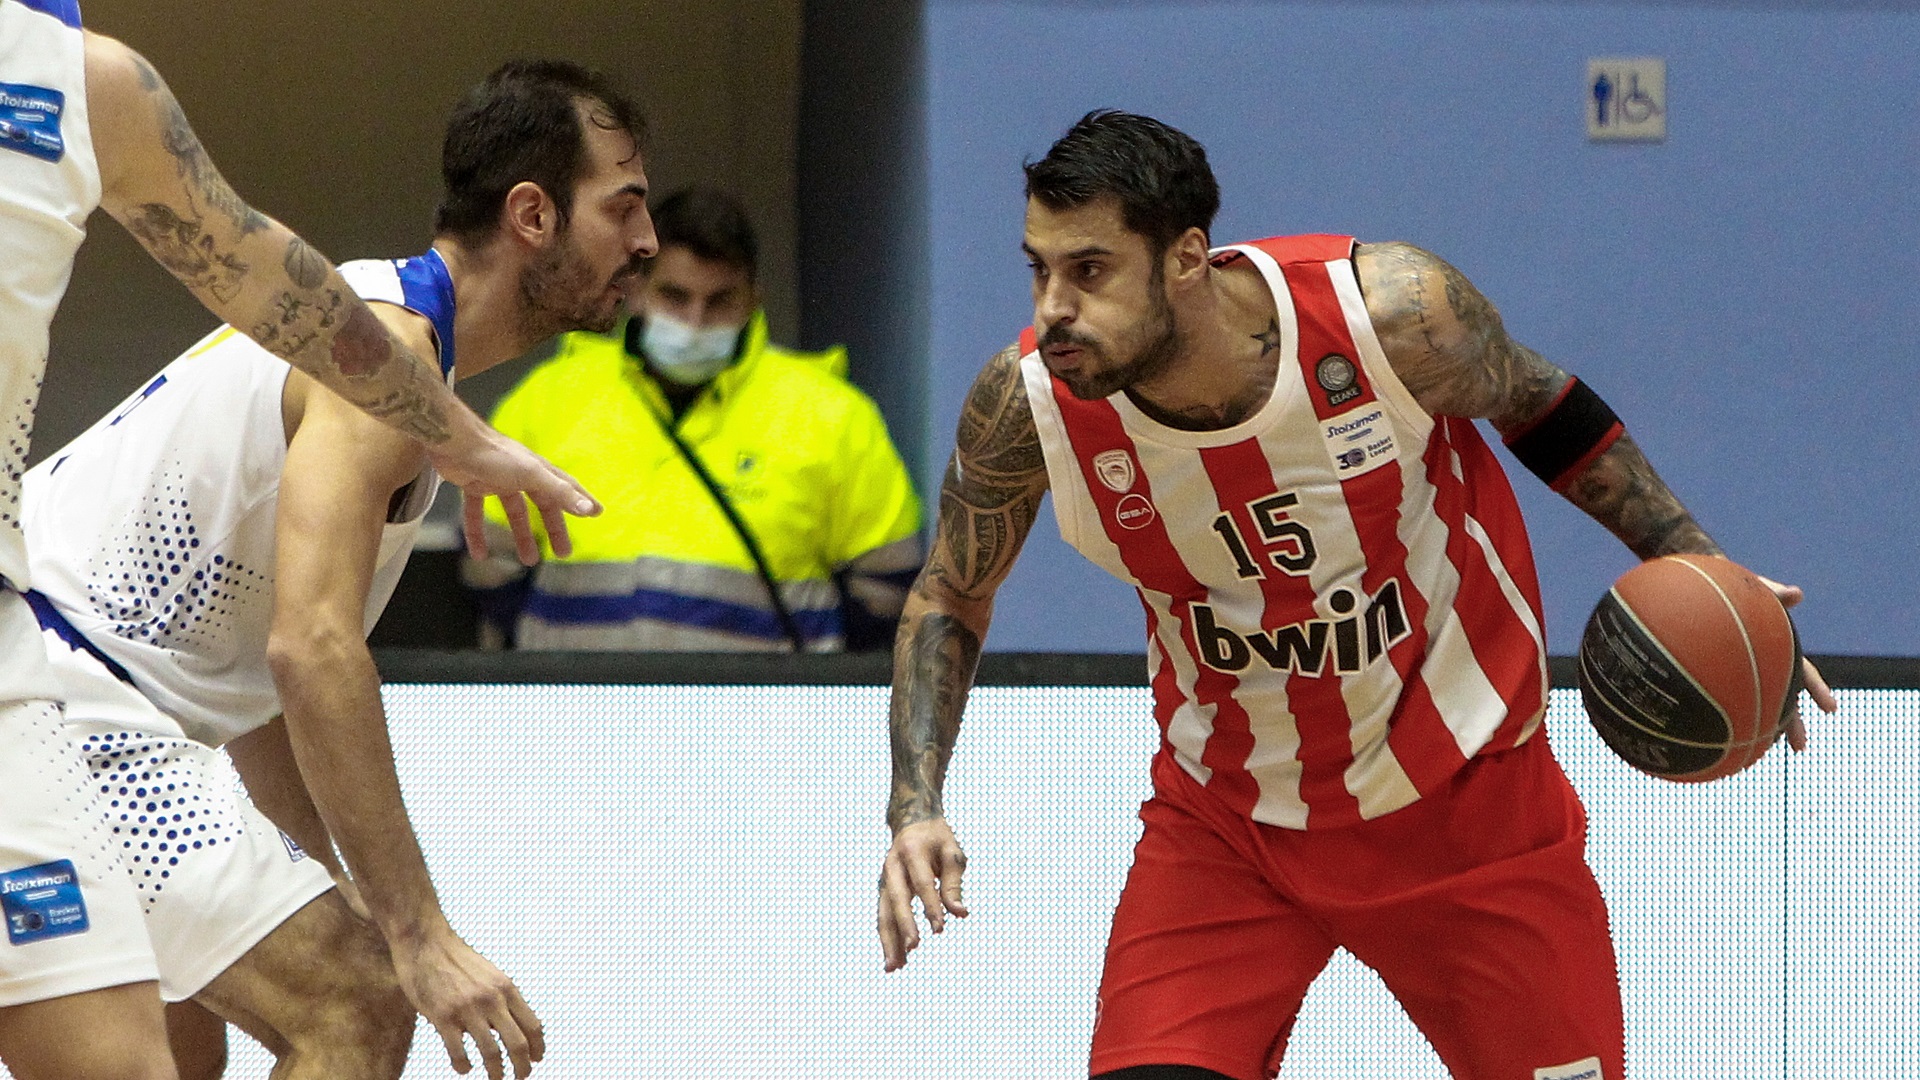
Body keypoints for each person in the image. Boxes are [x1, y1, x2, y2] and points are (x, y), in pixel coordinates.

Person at [874, 110, 1838, 1080]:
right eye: (1039, 270)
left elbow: (1537, 400)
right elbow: (950, 595)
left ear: (1187, 259)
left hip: (1470, 809)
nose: (1053, 307)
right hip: (1229, 827)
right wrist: (916, 806)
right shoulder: (1029, 408)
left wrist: (1703, 568)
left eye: (1089, 271)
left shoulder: (1393, 319)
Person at [21, 58, 657, 1080]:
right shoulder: (385, 362)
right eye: (623, 207)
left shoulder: (382, 332)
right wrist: (416, 930)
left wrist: (338, 879)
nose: (647, 239)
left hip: (74, 683)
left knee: (189, 1045)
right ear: (533, 215)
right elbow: (311, 651)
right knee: (355, 1002)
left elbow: (257, 682)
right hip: (61, 692)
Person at [465, 185, 921, 652]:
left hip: (765, 701)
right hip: (577, 697)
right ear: (635, 290)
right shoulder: (549, 400)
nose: (695, 321)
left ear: (753, 299)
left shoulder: (834, 417)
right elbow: (488, 554)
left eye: (719, 300)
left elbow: (888, 585)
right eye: (675, 296)